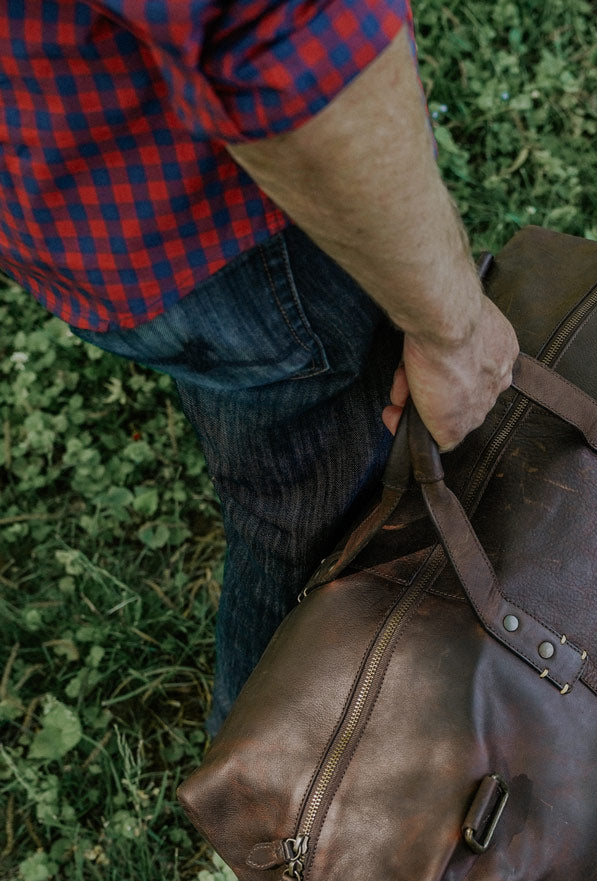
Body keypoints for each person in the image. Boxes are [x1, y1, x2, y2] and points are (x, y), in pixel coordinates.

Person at [0, 2, 519, 736]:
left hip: (69, 185)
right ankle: (269, 788)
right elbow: (295, 52)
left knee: (268, 446)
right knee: (312, 506)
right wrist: (453, 332)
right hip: (233, 233)